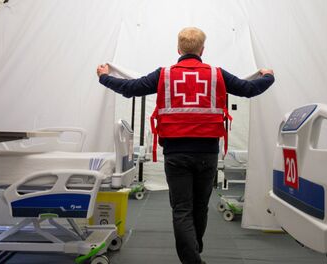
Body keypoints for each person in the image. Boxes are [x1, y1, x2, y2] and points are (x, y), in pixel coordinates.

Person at [96, 27, 274, 264]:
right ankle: (194, 254)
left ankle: (192, 257)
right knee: (200, 207)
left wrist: (104, 76)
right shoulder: (216, 74)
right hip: (207, 154)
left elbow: (130, 89)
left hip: (176, 154)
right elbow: (249, 89)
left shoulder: (164, 74)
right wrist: (268, 75)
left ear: (178, 49)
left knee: (182, 209)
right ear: (202, 49)